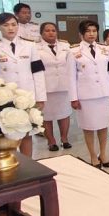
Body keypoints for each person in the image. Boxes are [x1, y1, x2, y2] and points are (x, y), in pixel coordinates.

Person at [0, 12, 46, 158]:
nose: (10, 28)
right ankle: (13, 162)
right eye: (6, 25)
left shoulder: (30, 45)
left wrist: (41, 97)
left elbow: (38, 72)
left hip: (27, 96)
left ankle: (29, 162)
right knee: (9, 132)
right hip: (4, 98)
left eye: (13, 24)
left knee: (27, 131)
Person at [69, 20, 109, 168]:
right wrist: (73, 98)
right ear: (81, 34)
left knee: (104, 125)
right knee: (89, 126)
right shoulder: (73, 51)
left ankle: (103, 153)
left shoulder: (105, 49)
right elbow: (71, 77)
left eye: (94, 31)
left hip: (104, 93)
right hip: (86, 96)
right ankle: (92, 155)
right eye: (88, 31)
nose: (91, 34)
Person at [37, 21, 72, 152]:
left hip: (63, 85)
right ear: (41, 33)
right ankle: (51, 141)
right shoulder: (35, 48)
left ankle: (64, 139)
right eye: (47, 30)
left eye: (53, 30)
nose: (51, 33)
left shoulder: (65, 46)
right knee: (46, 116)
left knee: (64, 113)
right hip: (46, 87)